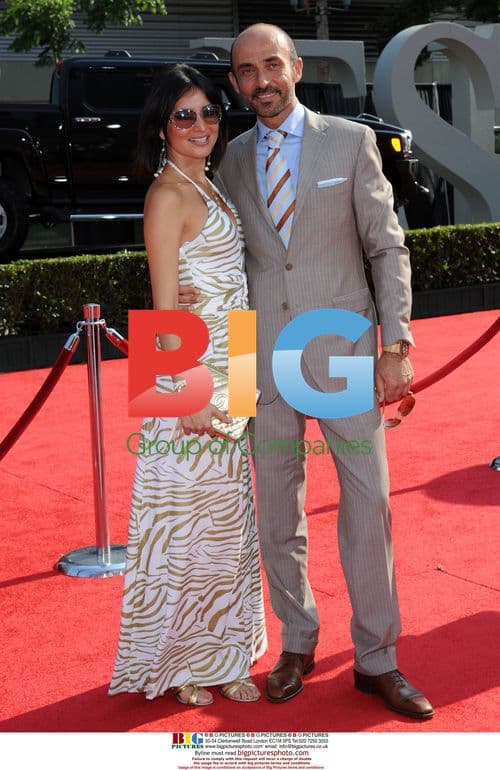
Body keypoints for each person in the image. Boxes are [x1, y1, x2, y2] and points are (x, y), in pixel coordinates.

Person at [181, 24, 434, 720]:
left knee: (368, 506)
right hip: (258, 363)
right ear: (234, 83)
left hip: (342, 354)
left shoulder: (349, 141)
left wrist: (397, 344)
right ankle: (298, 639)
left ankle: (377, 657)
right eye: (246, 71)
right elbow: (217, 262)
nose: (261, 80)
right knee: (275, 512)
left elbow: (388, 249)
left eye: (272, 64)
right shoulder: (226, 160)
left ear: (295, 66)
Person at [108, 64, 267, 707]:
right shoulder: (167, 196)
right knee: (187, 528)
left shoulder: (211, 185)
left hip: (234, 373)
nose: (200, 125)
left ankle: (227, 652)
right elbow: (164, 308)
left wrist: (239, 383)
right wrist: (186, 394)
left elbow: (231, 289)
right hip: (191, 386)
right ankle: (180, 663)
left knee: (229, 527)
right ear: (162, 126)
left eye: (208, 112)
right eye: (184, 115)